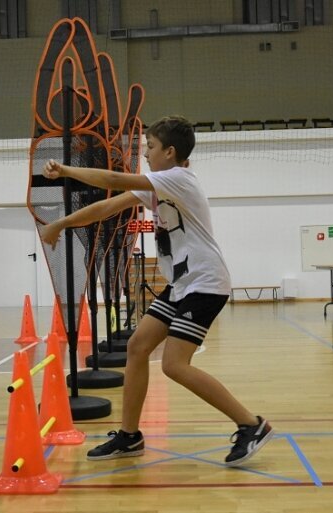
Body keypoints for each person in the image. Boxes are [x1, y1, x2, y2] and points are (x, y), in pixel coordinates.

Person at [39, 116, 273, 466]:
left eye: (149, 147)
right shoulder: (156, 186)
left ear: (170, 151)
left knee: (174, 365)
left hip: (205, 284)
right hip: (182, 284)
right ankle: (130, 436)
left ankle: (251, 424)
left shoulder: (178, 178)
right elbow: (107, 205)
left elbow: (114, 179)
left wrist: (68, 171)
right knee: (138, 346)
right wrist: (62, 222)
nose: (145, 154)